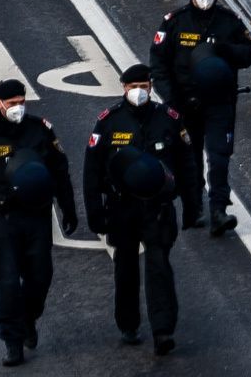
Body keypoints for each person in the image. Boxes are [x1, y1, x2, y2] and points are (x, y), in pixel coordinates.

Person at [0, 78, 78, 366]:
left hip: (36, 215)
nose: (17, 109)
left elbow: (60, 171)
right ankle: (13, 342)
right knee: (8, 282)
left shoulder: (40, 130)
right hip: (2, 218)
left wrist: (68, 208)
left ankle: (27, 320)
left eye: (21, 103)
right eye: (11, 104)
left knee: (41, 276)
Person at [85, 63, 200, 356]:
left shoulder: (168, 118)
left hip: (157, 208)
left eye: (144, 85)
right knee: (125, 267)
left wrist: (192, 205)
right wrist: (95, 213)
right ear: (124, 88)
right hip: (122, 208)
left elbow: (188, 164)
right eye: (133, 86)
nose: (139, 91)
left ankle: (163, 330)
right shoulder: (109, 122)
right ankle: (128, 323)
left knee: (159, 266)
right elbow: (92, 171)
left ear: (150, 86)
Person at [150, 0, 251, 236]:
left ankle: (219, 210)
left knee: (219, 155)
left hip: (219, 101)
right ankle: (195, 205)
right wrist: (171, 100)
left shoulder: (228, 21)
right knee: (190, 156)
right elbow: (159, 63)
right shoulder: (174, 22)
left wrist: (224, 50)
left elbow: (249, 52)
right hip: (185, 102)